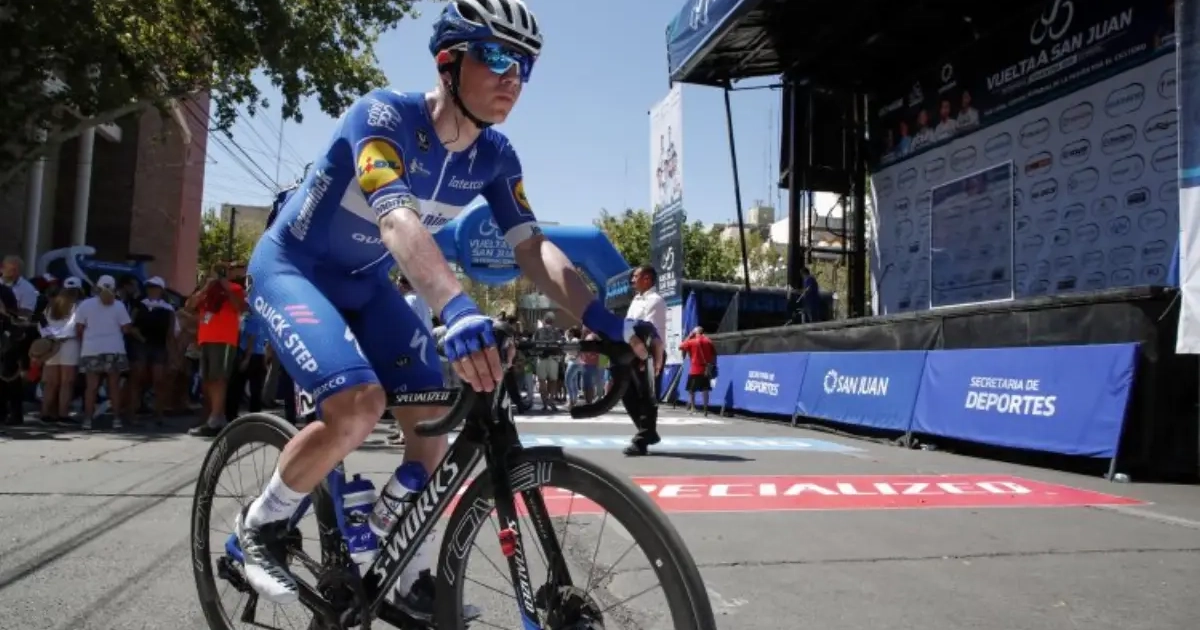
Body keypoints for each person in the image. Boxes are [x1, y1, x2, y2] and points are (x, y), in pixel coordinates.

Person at [236, 0, 655, 618]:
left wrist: (606, 321)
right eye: (496, 55)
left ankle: (408, 572)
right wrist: (456, 308)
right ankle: (257, 528)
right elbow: (396, 219)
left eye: (525, 65)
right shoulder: (383, 117)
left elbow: (532, 248)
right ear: (448, 61)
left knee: (434, 414)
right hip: (294, 270)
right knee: (359, 406)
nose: (512, 77)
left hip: (366, 285)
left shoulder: (496, 157)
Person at [622, 264, 667, 456]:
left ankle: (642, 440)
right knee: (626, 392)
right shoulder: (636, 299)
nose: (632, 280)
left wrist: (647, 358)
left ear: (647, 279)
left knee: (647, 396)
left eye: (636, 276)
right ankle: (648, 432)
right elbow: (627, 325)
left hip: (649, 353)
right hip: (633, 352)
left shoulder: (655, 301)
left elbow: (651, 333)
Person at [679, 326, 716, 415]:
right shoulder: (709, 341)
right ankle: (705, 409)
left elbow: (680, 346)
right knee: (705, 389)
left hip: (695, 369)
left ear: (695, 332)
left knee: (691, 390)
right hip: (706, 369)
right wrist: (712, 365)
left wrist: (689, 336)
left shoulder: (692, 341)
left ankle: (693, 408)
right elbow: (714, 354)